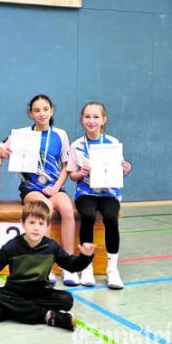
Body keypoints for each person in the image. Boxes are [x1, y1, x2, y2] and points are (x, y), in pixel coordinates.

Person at [0, 95, 79, 286]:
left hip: (54, 186)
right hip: (31, 188)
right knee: (45, 207)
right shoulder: (21, 134)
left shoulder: (61, 134)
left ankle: (68, 266)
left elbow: (67, 165)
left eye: (45, 109)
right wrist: (2, 152)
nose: (41, 113)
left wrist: (57, 187)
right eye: (37, 110)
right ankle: (45, 266)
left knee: (67, 210)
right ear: (31, 114)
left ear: (52, 111)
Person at [0, 201, 94, 330]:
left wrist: (85, 256)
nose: (36, 228)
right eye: (32, 222)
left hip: (41, 292)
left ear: (47, 226)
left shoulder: (52, 247)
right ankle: (49, 316)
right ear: (22, 223)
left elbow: (72, 265)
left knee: (67, 299)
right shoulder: (12, 246)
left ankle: (11, 311)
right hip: (16, 291)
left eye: (41, 224)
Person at [67, 102, 132, 289]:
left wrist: (125, 169)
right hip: (86, 192)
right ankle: (86, 267)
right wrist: (81, 173)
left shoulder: (112, 143)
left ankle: (112, 270)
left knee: (111, 218)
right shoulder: (76, 145)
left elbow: (118, 171)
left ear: (104, 120)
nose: (91, 120)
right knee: (87, 216)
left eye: (96, 117)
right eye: (87, 117)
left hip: (109, 193)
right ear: (81, 119)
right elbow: (72, 175)